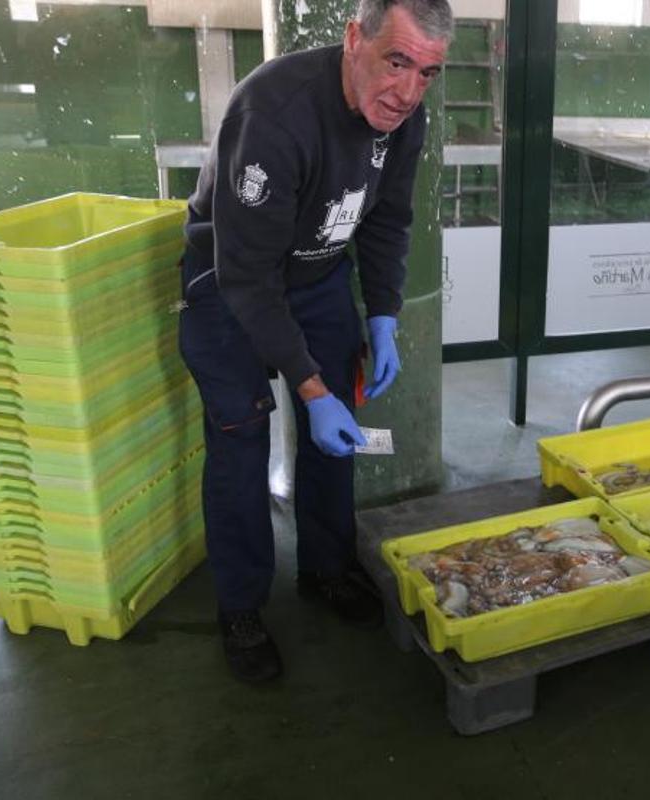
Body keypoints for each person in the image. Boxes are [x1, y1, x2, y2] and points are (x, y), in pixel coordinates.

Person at [177, 0, 452, 684]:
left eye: (427, 73)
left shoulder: (404, 114)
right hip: (230, 280)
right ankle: (241, 608)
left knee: (337, 432)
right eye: (397, 63)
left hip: (318, 275)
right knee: (241, 440)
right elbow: (248, 279)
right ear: (355, 39)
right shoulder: (273, 114)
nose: (408, 91)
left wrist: (384, 314)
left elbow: (388, 219)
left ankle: (327, 567)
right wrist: (308, 385)